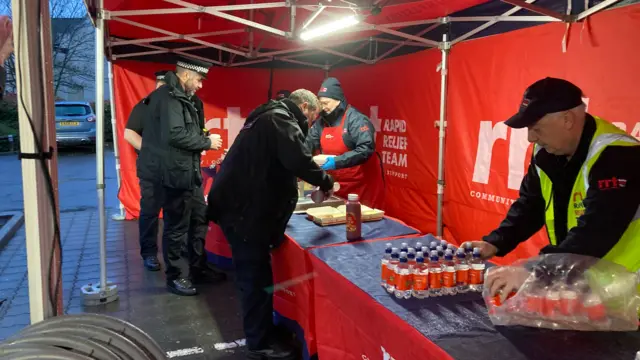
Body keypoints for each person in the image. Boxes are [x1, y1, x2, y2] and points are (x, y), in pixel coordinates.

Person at [462, 77, 640, 302]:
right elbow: (531, 205)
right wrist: (496, 242)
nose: (530, 138)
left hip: (630, 294)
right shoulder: (546, 152)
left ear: (567, 119)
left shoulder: (618, 154)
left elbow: (598, 228)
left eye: (536, 128)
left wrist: (535, 270)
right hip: (586, 288)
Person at [207, 89, 334, 359]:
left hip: (239, 207)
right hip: (243, 213)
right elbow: (297, 160)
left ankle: (263, 329)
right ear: (303, 106)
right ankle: (259, 342)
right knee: (254, 277)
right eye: (311, 118)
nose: (310, 124)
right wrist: (326, 181)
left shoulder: (266, 116)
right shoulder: (280, 120)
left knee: (257, 274)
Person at [139, 57, 224, 296]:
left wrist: (202, 135)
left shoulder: (188, 99)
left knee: (199, 219)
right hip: (172, 174)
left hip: (189, 172)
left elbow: (189, 131)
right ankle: (175, 277)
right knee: (176, 226)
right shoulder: (167, 98)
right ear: (185, 75)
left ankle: (198, 268)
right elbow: (175, 135)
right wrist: (207, 141)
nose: (200, 85)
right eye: (198, 79)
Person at [305, 77, 385, 209]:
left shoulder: (356, 120)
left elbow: (366, 149)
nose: (323, 108)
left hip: (361, 187)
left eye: (326, 103)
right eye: (321, 104)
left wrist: (336, 161)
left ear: (339, 100)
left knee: (359, 223)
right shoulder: (320, 122)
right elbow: (308, 143)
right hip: (336, 186)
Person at [124, 70, 167, 271]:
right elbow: (130, 134)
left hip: (174, 169)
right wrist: (153, 151)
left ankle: (177, 250)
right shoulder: (145, 106)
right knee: (150, 212)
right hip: (152, 169)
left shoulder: (175, 108)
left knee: (177, 211)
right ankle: (149, 253)